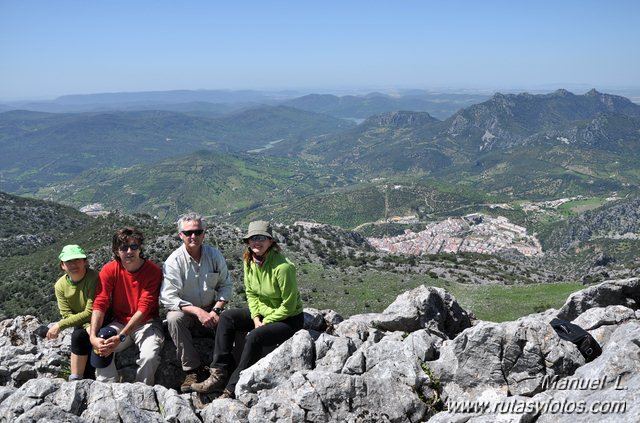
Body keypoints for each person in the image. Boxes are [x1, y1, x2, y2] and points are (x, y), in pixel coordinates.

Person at [192, 220, 304, 399]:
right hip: (263, 314)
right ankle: (218, 372)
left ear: (270, 241)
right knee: (227, 317)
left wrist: (265, 322)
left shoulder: (283, 268)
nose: (256, 242)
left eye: (261, 238)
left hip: (288, 319)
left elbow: (289, 306)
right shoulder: (249, 261)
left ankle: (231, 388)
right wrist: (256, 318)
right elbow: (251, 294)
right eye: (253, 238)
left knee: (254, 336)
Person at [160, 212, 234, 393]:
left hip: (211, 309)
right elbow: (168, 297)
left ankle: (225, 369)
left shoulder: (214, 255)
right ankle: (192, 370)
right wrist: (197, 312)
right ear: (180, 235)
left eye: (198, 232)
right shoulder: (174, 261)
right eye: (188, 233)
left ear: (204, 234)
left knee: (232, 321)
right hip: (187, 312)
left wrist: (215, 310)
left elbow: (226, 286)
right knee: (173, 319)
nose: (193, 236)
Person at [89, 227, 164, 385]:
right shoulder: (110, 270)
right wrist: (93, 336)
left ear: (140, 248)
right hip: (120, 321)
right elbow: (100, 302)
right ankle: (107, 387)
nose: (129, 251)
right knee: (102, 344)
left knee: (149, 356)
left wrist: (121, 336)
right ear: (116, 251)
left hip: (146, 323)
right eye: (124, 247)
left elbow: (144, 309)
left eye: (134, 247)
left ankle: (142, 390)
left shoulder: (153, 271)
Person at [46, 244, 98, 381]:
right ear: (62, 265)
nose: (73, 265)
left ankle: (85, 378)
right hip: (82, 324)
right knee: (79, 336)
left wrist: (60, 325)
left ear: (84, 262)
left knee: (87, 337)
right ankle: (75, 379)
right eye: (68, 262)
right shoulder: (60, 285)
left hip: (100, 318)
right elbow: (66, 314)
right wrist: (87, 326)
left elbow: (91, 311)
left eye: (77, 260)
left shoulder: (94, 278)